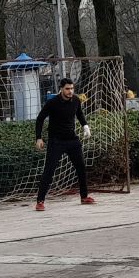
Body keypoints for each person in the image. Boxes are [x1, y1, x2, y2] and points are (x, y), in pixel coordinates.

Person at [34, 78, 93, 211]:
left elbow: (79, 114)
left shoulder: (76, 100)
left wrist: (85, 126)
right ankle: (40, 201)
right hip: (56, 141)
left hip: (72, 140)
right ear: (61, 89)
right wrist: (38, 138)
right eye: (67, 89)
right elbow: (40, 119)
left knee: (81, 167)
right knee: (49, 171)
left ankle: (84, 197)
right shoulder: (52, 103)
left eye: (72, 88)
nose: (70, 91)